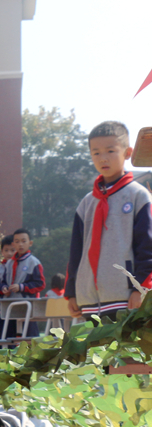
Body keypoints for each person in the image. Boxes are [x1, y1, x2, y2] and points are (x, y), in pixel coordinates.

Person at [65, 121, 152, 320]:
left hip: (126, 298)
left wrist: (141, 288)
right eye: (96, 153)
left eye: (110, 151)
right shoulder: (86, 203)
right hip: (88, 300)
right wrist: (71, 291)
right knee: (94, 351)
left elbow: (147, 248)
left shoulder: (138, 196)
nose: (103, 158)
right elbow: (76, 252)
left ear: (128, 152)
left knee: (126, 351)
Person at [0, 228, 45, 338]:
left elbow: (40, 284)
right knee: (8, 336)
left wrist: (22, 287)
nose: (20, 244)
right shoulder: (9, 263)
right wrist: (4, 288)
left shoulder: (34, 262)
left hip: (27, 305)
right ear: (13, 244)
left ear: (30, 243)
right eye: (17, 241)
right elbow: (4, 281)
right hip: (10, 305)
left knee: (30, 336)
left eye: (24, 241)